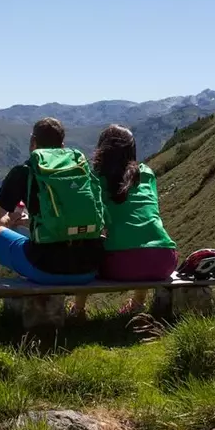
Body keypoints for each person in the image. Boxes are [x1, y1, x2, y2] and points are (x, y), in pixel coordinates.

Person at [0, 117, 105, 329]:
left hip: (45, 268)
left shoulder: (25, 171)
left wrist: (8, 220)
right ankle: (79, 310)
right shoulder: (80, 168)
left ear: (33, 142)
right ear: (62, 146)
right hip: (89, 268)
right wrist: (30, 222)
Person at [70, 124, 178, 318]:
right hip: (164, 259)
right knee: (143, 234)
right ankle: (138, 304)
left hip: (121, 264)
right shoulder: (146, 173)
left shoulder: (95, 177)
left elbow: (88, 219)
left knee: (87, 242)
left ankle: (78, 310)